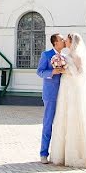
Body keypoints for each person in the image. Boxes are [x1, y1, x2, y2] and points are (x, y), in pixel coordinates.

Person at [47, 32, 86, 168]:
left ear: (72, 42)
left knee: (75, 118)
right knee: (64, 118)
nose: (65, 42)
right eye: (64, 40)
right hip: (65, 90)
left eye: (67, 40)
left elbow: (81, 74)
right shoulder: (65, 56)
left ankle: (78, 153)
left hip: (74, 90)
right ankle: (62, 153)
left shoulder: (78, 56)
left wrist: (65, 71)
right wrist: (61, 68)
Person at [36, 33, 65, 164]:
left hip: (64, 93)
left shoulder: (65, 57)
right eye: (61, 39)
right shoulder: (46, 55)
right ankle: (43, 153)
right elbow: (40, 72)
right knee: (48, 123)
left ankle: (60, 152)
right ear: (55, 43)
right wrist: (52, 72)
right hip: (50, 93)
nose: (63, 41)